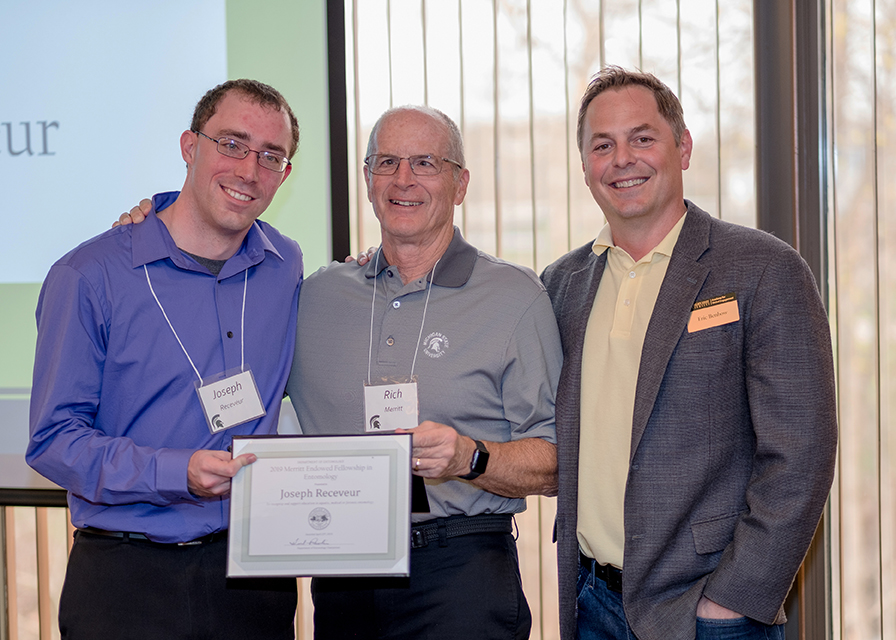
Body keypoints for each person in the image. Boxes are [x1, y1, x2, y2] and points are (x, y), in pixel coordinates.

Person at [541, 66, 838, 640]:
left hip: (709, 611)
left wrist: (732, 601)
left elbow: (802, 452)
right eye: (603, 145)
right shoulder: (561, 284)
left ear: (683, 147)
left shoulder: (762, 269)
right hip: (590, 600)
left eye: (642, 138)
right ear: (585, 167)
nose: (622, 158)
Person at [27, 79, 303, 640]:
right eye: (231, 144)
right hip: (127, 582)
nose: (249, 170)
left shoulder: (286, 265)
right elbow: (53, 440)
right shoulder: (89, 276)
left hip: (253, 579)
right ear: (189, 145)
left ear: (284, 173)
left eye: (271, 156)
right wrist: (176, 472)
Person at [287, 105, 562, 639]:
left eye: (425, 163)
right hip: (342, 571)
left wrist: (468, 456)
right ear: (367, 181)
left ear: (460, 184)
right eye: (387, 162)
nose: (403, 179)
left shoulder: (515, 298)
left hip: (461, 572)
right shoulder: (317, 296)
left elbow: (553, 461)